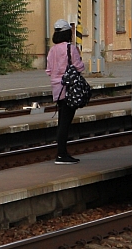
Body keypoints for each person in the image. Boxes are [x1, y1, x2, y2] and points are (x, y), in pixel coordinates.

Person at [45, 19, 85, 164]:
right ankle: (62, 154)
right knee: (65, 123)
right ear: (68, 33)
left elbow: (49, 70)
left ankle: (62, 153)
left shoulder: (52, 50)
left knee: (62, 120)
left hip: (57, 89)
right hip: (69, 89)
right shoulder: (70, 48)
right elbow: (79, 67)